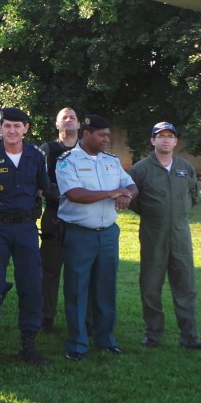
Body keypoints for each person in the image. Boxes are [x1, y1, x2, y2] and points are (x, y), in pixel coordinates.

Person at [0, 107, 50, 367]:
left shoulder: (36, 157)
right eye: (7, 126)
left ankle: (29, 346)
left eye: (18, 126)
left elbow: (40, 189)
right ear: (1, 128)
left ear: (26, 128)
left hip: (26, 229)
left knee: (31, 287)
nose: (12, 131)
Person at [55, 114, 138, 361]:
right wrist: (113, 193)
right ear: (87, 133)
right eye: (102, 135)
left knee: (105, 287)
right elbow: (74, 194)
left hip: (108, 235)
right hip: (79, 235)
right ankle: (77, 343)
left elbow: (131, 185)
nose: (107, 139)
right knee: (77, 290)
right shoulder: (67, 161)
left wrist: (127, 195)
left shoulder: (111, 161)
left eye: (108, 135)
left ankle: (105, 338)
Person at [129, 122, 201, 351]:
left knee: (185, 286)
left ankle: (190, 337)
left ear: (176, 141)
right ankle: (153, 334)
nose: (165, 140)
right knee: (150, 288)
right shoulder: (140, 169)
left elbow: (193, 195)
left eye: (170, 136)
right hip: (153, 236)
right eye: (161, 136)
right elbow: (133, 200)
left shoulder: (185, 167)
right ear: (152, 141)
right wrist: (155, 214)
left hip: (180, 236)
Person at [38, 107, 80, 334]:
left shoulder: (86, 150)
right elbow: (42, 182)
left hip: (82, 217)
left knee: (81, 271)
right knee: (50, 269)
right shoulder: (49, 150)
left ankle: (83, 317)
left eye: (73, 117)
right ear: (57, 125)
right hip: (55, 216)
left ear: (79, 125)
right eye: (64, 117)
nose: (69, 120)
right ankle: (47, 316)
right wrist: (67, 196)